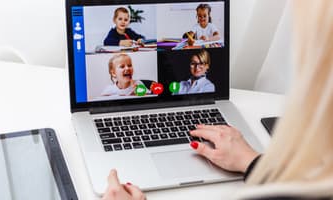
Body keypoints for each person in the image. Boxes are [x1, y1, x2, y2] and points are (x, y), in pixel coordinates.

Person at [102, 0, 333, 199]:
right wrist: (251, 163)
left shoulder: (205, 75)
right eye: (192, 64)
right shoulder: (113, 72)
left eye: (129, 65)